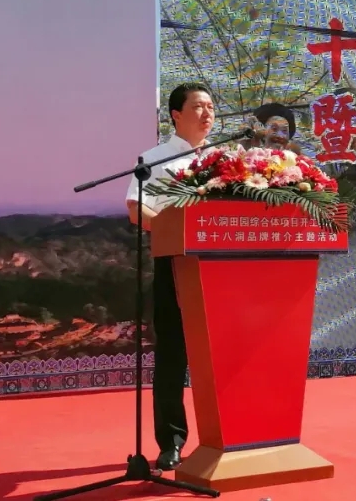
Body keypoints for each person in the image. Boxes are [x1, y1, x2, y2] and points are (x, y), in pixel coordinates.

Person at [125, 82, 216, 471]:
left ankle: (227, 438)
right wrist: (173, 230)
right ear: (176, 115)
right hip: (176, 263)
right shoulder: (154, 159)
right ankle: (172, 442)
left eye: (211, 106)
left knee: (221, 354)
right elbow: (136, 209)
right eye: (198, 106)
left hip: (221, 266)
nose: (207, 113)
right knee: (173, 354)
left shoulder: (227, 158)